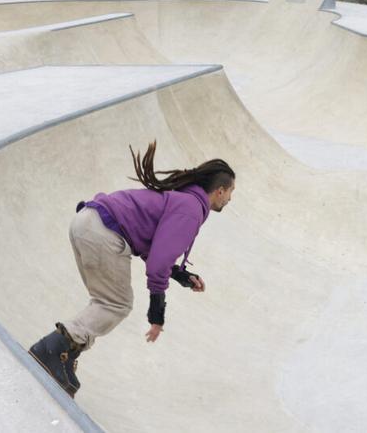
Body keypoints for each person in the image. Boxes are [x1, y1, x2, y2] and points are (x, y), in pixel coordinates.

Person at [29, 141, 236, 397]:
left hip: (87, 222)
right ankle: (51, 350)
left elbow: (155, 250)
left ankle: (65, 354)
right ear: (219, 190)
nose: (230, 198)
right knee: (116, 304)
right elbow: (158, 263)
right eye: (230, 192)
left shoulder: (182, 199)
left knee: (106, 302)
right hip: (104, 232)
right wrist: (157, 314)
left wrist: (181, 275)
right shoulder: (192, 209)